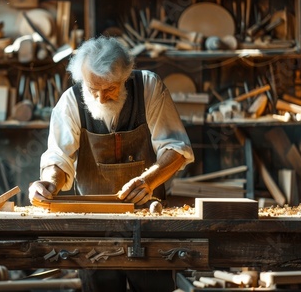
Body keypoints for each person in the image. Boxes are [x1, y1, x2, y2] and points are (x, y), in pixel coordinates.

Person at [28, 36, 194, 292]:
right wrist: (49, 182)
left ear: (125, 76)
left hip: (148, 218)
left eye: (110, 90)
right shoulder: (71, 101)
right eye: (93, 90)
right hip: (93, 224)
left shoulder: (148, 87)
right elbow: (58, 159)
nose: (101, 98)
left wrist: (148, 180)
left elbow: (177, 149)